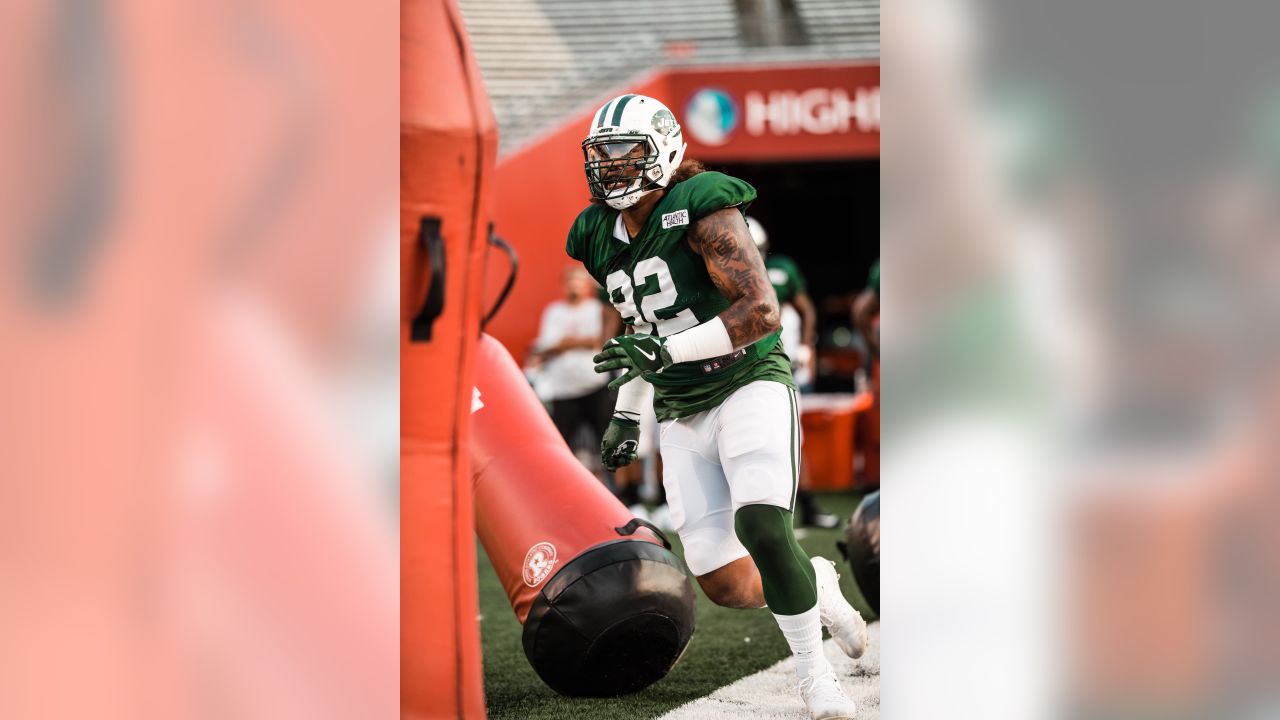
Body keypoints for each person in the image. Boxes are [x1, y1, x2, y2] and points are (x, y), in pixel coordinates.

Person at [566, 93, 867, 719]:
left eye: (626, 155)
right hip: (680, 405)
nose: (612, 169)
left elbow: (759, 313)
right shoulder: (596, 232)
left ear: (664, 151)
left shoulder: (702, 207)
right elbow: (641, 325)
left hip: (747, 379)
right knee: (724, 581)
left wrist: (660, 354)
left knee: (762, 525)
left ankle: (816, 679)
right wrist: (628, 409)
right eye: (602, 157)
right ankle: (820, 583)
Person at [747, 216, 840, 529]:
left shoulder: (781, 270)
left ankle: (807, 505)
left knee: (791, 439)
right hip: (745, 369)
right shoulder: (724, 274)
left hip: (781, 365)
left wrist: (807, 347)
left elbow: (805, 308)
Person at [527, 265, 611, 462]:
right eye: (571, 282)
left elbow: (600, 341)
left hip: (595, 384)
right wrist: (584, 341)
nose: (574, 286)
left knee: (607, 442)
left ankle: (618, 488)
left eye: (579, 281)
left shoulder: (597, 309)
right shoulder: (554, 311)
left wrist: (565, 342)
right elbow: (546, 346)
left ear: (587, 286)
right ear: (564, 285)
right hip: (563, 389)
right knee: (561, 447)